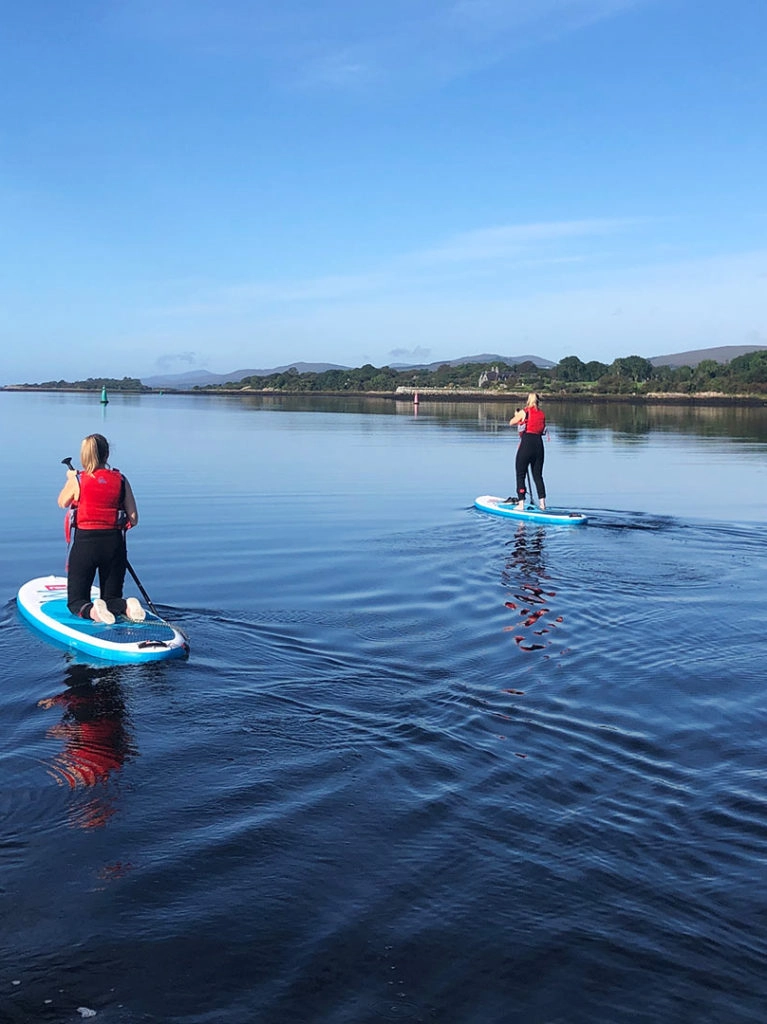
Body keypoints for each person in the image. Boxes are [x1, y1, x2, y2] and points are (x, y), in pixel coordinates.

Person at [57, 433, 146, 625]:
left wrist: (70, 479)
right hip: (114, 545)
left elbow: (62, 502)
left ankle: (94, 611)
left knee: (76, 602)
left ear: (84, 456)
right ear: (106, 455)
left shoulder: (78, 479)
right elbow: (134, 519)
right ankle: (126, 606)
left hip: (85, 545)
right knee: (112, 598)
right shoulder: (121, 479)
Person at [508, 393, 547, 511]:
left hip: (527, 444)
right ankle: (543, 504)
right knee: (538, 476)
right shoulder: (542, 414)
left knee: (520, 474)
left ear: (528, 401)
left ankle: (521, 504)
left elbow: (511, 422)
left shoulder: (524, 412)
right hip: (539, 445)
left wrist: (517, 415)